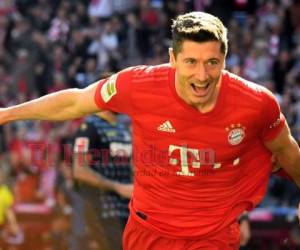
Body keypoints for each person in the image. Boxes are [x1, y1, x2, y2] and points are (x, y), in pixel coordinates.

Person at [0, 11, 299, 249]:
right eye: (191, 62)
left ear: (225, 59)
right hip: (148, 231)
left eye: (212, 63)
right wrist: (6, 114)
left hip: (213, 235)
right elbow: (75, 102)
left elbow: (286, 151)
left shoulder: (256, 103)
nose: (202, 75)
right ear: (172, 59)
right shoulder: (137, 85)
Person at [72, 110, 132, 250]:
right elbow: (79, 170)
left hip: (127, 209)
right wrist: (118, 187)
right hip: (103, 208)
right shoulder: (88, 127)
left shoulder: (122, 127)